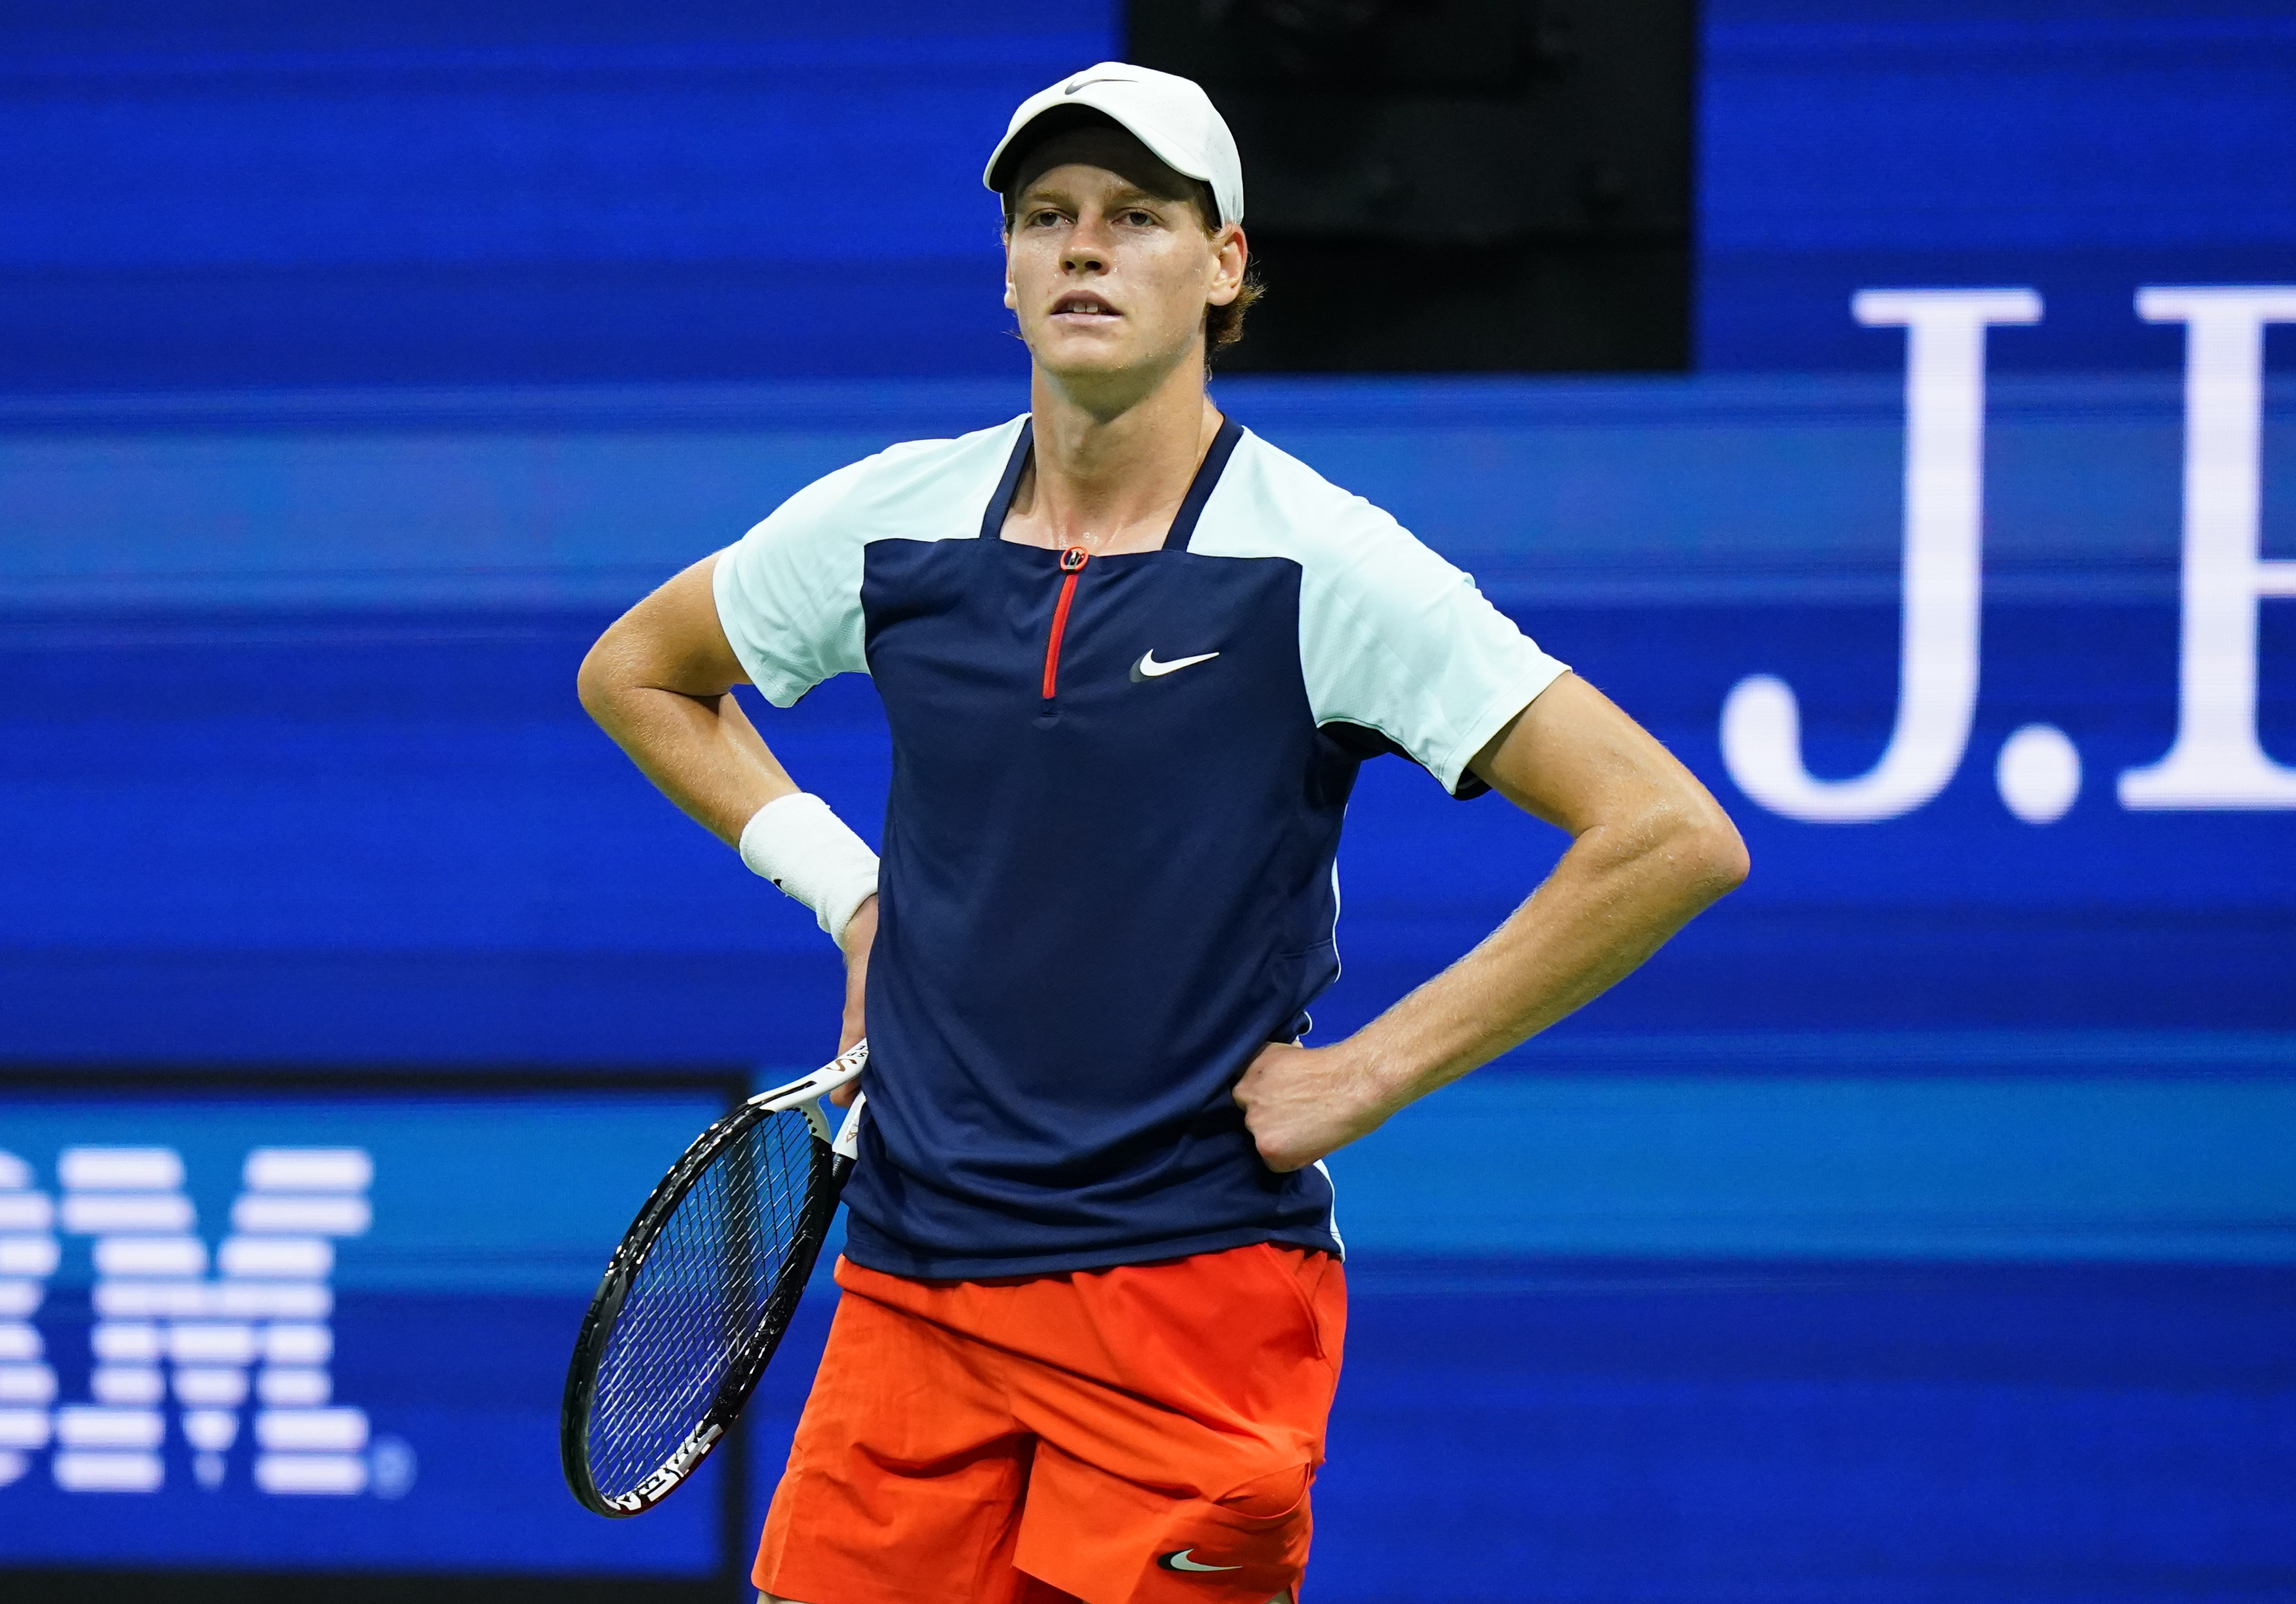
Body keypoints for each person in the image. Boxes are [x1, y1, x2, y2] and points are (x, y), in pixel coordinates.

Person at [578, 61, 1747, 1604]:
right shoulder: (893, 524)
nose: (1082, 249)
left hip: (1187, 1302)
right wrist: (853, 897)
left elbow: (1665, 832)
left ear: (1224, 265)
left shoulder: (1320, 562)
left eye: (1136, 218)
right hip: (910, 1285)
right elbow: (639, 672)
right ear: (1004, 270)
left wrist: (1372, 1072)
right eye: (1046, 218)